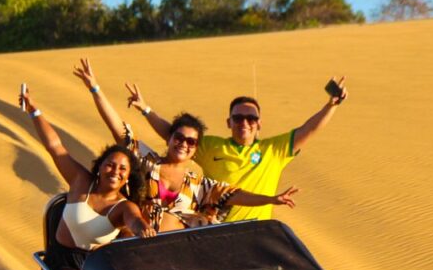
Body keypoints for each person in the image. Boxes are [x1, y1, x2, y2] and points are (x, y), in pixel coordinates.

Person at [72, 58, 300, 231]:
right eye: (178, 138)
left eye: (191, 141)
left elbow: (234, 195)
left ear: (196, 148)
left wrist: (271, 200)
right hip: (139, 244)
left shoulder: (199, 185)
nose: (184, 144)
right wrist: (95, 89)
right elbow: (120, 130)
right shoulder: (148, 164)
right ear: (169, 139)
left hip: (179, 257)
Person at [127, 75, 348, 221]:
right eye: (238, 117)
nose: (245, 122)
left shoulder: (274, 149)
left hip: (257, 232)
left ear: (259, 123)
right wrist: (146, 110)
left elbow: (309, 129)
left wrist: (331, 106)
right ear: (228, 122)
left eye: (251, 118)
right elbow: (175, 136)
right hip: (218, 229)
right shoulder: (212, 145)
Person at [18, 85, 152, 270]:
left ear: (127, 177)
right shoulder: (81, 182)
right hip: (61, 263)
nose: (115, 171)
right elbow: (55, 147)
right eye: (110, 164)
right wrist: (34, 110)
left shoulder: (124, 206)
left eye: (122, 169)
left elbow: (134, 219)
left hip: (96, 267)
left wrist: (142, 229)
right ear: (99, 166)